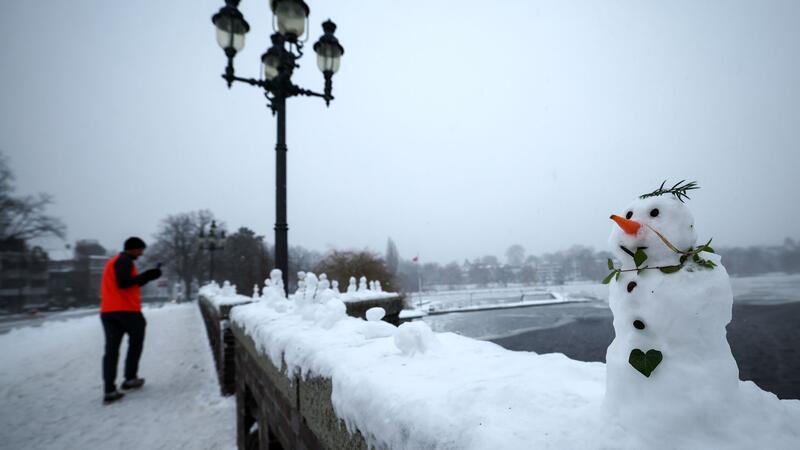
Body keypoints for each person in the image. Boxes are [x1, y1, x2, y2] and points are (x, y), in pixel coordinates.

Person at [100, 237, 162, 404]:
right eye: (140, 250)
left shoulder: (113, 262)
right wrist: (148, 275)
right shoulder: (124, 261)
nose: (141, 253)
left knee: (111, 351)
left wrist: (147, 277)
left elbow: (126, 284)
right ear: (133, 249)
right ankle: (130, 378)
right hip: (127, 311)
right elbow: (125, 284)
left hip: (108, 311)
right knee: (135, 343)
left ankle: (110, 390)